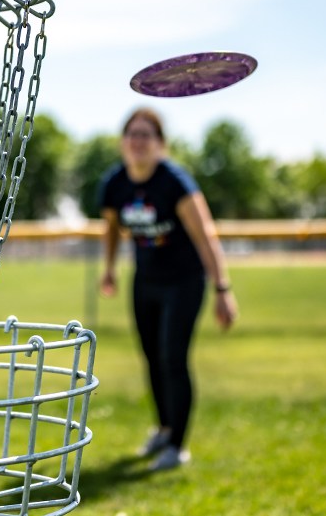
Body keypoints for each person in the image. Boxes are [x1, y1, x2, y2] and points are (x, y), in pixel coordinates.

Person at [99, 107, 238, 471]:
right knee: (151, 357)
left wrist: (223, 289)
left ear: (161, 143)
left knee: (173, 358)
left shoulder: (175, 182)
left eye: (147, 134)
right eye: (133, 134)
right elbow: (112, 226)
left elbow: (205, 235)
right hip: (145, 281)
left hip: (184, 280)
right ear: (122, 142)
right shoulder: (115, 183)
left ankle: (177, 446)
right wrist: (110, 268)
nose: (138, 141)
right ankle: (163, 429)